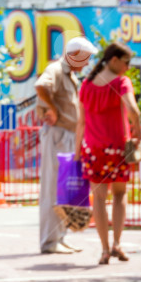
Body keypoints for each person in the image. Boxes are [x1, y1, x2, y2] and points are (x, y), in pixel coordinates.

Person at [77, 42, 141, 265]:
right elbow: (133, 110)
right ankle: (117, 244)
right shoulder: (121, 82)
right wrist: (138, 133)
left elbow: (81, 122)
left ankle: (104, 250)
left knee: (99, 198)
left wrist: (77, 152)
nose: (128, 67)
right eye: (126, 62)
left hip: (93, 150)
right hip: (117, 149)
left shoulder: (86, 84)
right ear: (114, 60)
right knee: (120, 195)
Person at [34, 36, 97, 254]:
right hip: (58, 134)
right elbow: (41, 86)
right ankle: (50, 241)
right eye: (85, 58)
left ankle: (59, 238)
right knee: (53, 189)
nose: (87, 63)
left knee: (64, 191)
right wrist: (52, 109)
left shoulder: (69, 74)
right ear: (76, 55)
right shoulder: (57, 69)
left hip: (67, 135)